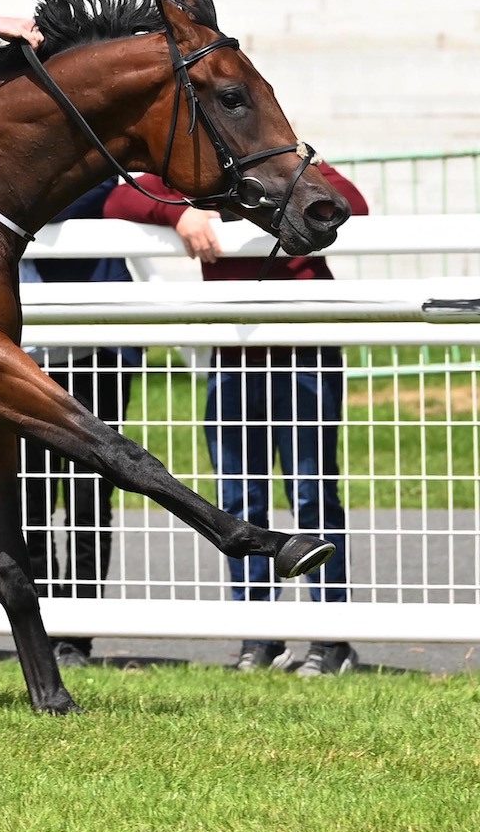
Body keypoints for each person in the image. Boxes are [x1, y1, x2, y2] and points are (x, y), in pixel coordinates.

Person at [105, 165, 369, 676]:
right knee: (238, 496)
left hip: (304, 350)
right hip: (232, 354)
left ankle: (331, 638)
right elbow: (121, 202)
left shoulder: (292, 169)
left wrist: (298, 167)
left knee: (312, 493)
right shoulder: (199, 177)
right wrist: (182, 213)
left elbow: (351, 202)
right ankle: (259, 637)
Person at [18, 180, 141, 671]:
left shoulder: (90, 169)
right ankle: (43, 625)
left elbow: (116, 191)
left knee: (90, 497)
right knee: (30, 497)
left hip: (97, 357)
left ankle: (78, 633)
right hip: (26, 362)